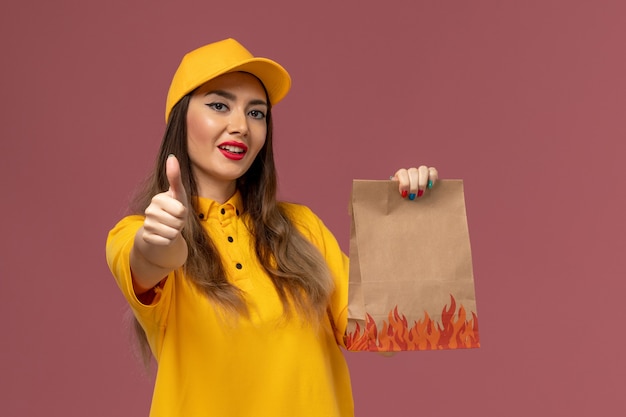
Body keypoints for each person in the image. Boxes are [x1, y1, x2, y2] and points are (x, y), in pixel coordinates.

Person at [106, 38, 438, 417]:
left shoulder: (303, 229)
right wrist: (161, 240)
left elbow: (387, 334)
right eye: (219, 105)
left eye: (257, 113)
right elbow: (148, 261)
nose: (241, 126)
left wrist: (408, 220)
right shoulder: (133, 232)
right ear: (181, 120)